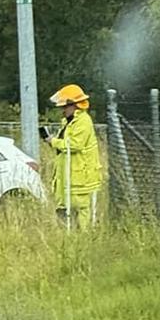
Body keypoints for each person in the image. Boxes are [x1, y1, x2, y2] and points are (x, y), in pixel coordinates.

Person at [41, 84, 102, 228]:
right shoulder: (68, 122)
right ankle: (68, 236)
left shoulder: (83, 121)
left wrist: (53, 141)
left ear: (74, 105)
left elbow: (74, 145)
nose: (62, 111)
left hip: (80, 177)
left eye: (64, 107)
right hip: (67, 174)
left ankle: (83, 237)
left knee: (80, 208)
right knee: (64, 206)